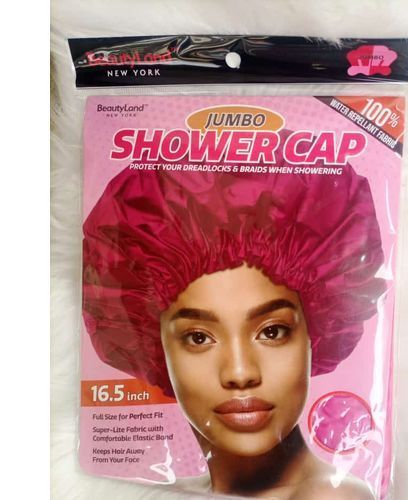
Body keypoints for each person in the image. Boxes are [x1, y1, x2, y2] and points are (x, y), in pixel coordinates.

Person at [83, 160, 385, 499]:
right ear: (154, 348)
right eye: (199, 338)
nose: (240, 373)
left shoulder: (332, 496)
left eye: (272, 332)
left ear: (314, 336)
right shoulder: (168, 492)